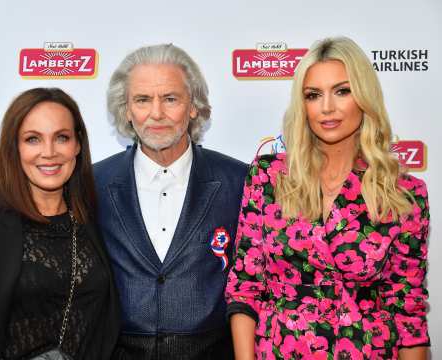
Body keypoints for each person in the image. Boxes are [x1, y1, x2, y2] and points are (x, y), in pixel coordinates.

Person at [225, 36, 430, 360]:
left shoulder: (404, 194)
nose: (327, 107)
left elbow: (408, 313)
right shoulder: (268, 177)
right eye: (313, 95)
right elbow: (245, 287)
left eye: (342, 91)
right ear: (302, 104)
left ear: (364, 97)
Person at [0, 88, 120, 360]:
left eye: (61, 137)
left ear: (77, 144)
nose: (49, 152)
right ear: (14, 147)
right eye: (33, 139)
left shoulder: (98, 218)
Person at [94, 44, 248, 359]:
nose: (156, 113)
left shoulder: (240, 181)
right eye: (142, 100)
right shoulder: (93, 183)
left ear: (194, 106)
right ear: (126, 110)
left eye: (170, 99)